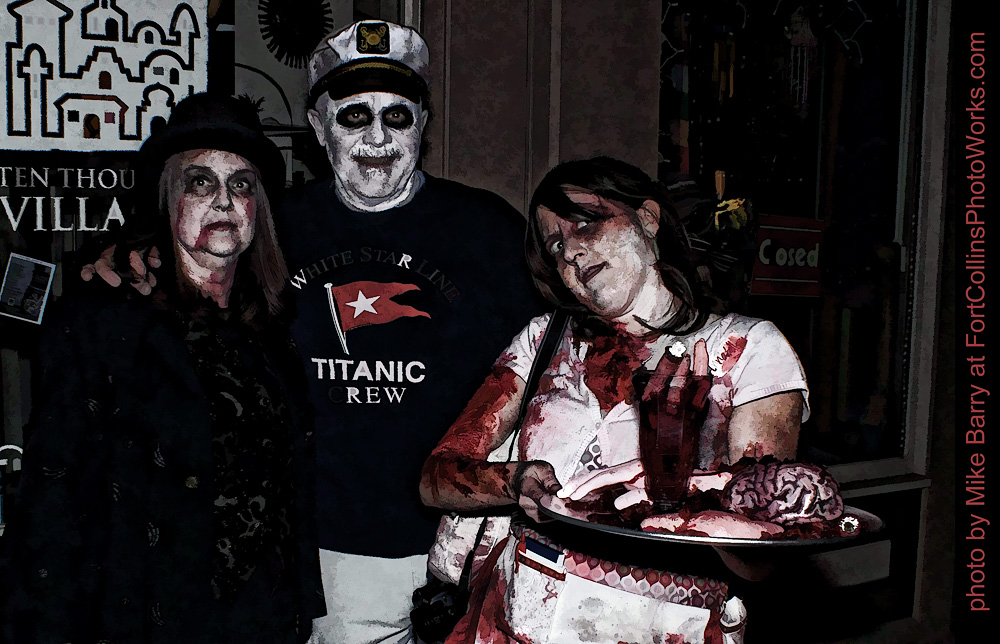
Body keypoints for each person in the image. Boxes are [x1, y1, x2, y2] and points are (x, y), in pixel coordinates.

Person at [82, 20, 542, 644]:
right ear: (319, 128)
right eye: (353, 116)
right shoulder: (272, 227)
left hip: (469, 544)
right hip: (330, 555)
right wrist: (128, 252)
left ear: (424, 124)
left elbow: (559, 354)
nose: (377, 138)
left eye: (397, 117)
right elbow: (187, 272)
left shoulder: (491, 231)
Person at [419, 157, 843, 644]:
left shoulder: (747, 350)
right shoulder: (543, 341)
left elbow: (760, 559)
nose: (571, 252)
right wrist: (515, 481)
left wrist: (677, 487)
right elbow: (435, 480)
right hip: (511, 621)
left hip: (661, 628)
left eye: (586, 222)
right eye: (555, 245)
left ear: (648, 218)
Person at [0, 94, 326, 644]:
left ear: (260, 209)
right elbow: (53, 496)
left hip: (261, 619)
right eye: (199, 182)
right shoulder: (106, 319)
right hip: (153, 617)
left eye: (242, 185)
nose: (223, 200)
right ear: (168, 197)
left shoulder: (272, 327)